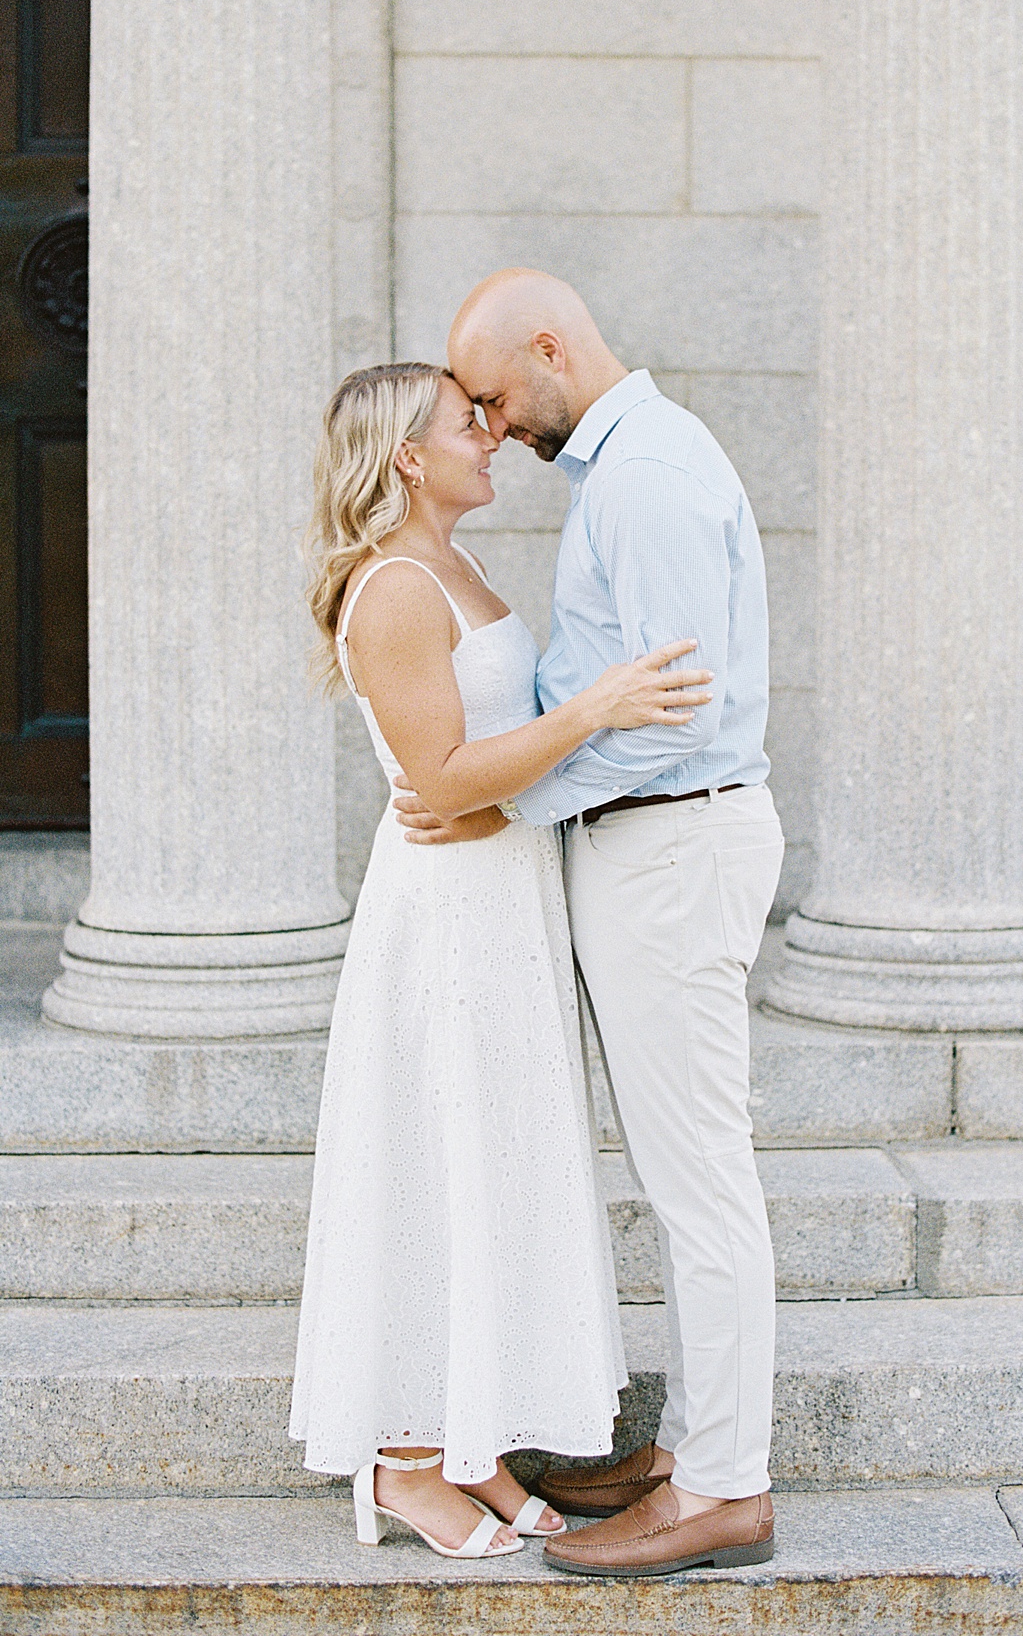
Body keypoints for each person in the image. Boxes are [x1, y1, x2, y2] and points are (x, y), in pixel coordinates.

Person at [393, 272, 784, 1578]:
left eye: (499, 396)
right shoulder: (621, 472)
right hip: (642, 851)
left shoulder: (644, 474)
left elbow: (660, 710)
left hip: (669, 845)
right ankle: (695, 1456)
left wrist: (504, 804)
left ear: (553, 348)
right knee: (683, 1173)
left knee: (699, 1180)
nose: (493, 426)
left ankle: (727, 1486)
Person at [289, 361, 713, 1561]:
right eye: (463, 421)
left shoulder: (461, 568)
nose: (493, 431)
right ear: (409, 458)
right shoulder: (394, 588)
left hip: (504, 892)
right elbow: (439, 781)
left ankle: (468, 1441)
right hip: (444, 912)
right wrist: (602, 708)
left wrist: (541, 780)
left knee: (491, 1159)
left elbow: (491, 773)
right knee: (437, 1159)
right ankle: (405, 1463)